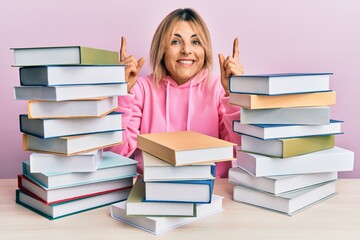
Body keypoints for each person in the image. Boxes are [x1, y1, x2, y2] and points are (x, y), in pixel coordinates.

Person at [109, 8, 244, 178]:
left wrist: (235, 95)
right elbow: (116, 153)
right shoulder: (141, 88)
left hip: (211, 191)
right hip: (153, 190)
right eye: (175, 41)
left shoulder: (218, 87)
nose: (186, 50)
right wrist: (121, 92)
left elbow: (240, 148)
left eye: (195, 42)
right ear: (161, 49)